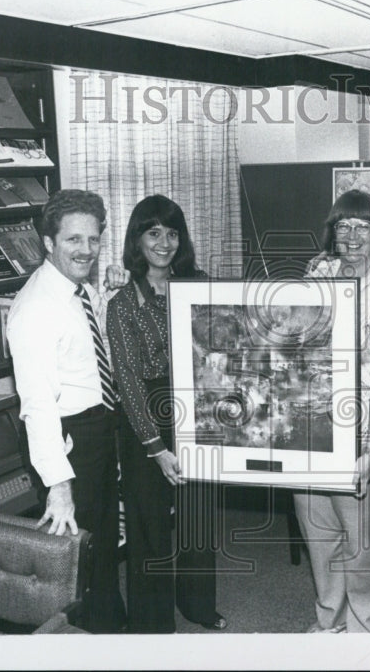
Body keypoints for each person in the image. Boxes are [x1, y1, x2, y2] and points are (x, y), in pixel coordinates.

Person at [5, 188, 128, 634]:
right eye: (74, 239)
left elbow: (85, 343)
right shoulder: (34, 309)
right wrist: (59, 486)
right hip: (66, 438)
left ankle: (110, 628)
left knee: (100, 548)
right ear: (48, 242)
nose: (86, 250)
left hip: (96, 429)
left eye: (93, 240)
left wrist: (108, 296)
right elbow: (37, 406)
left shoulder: (77, 290)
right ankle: (93, 640)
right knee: (78, 554)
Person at [105, 194, 228, 634]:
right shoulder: (122, 302)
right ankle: (152, 622)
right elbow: (129, 383)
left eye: (172, 233)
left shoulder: (200, 285)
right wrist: (156, 449)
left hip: (197, 411)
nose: (164, 243)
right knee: (149, 524)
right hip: (146, 421)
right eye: (153, 232)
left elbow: (224, 346)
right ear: (137, 238)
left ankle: (198, 604)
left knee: (198, 515)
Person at [293, 190, 370, 634]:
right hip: (312, 425)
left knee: (362, 543)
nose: (353, 236)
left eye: (363, 227)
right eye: (343, 226)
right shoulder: (318, 276)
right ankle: (329, 621)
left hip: (366, 431)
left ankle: (364, 632)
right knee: (319, 534)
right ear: (332, 234)